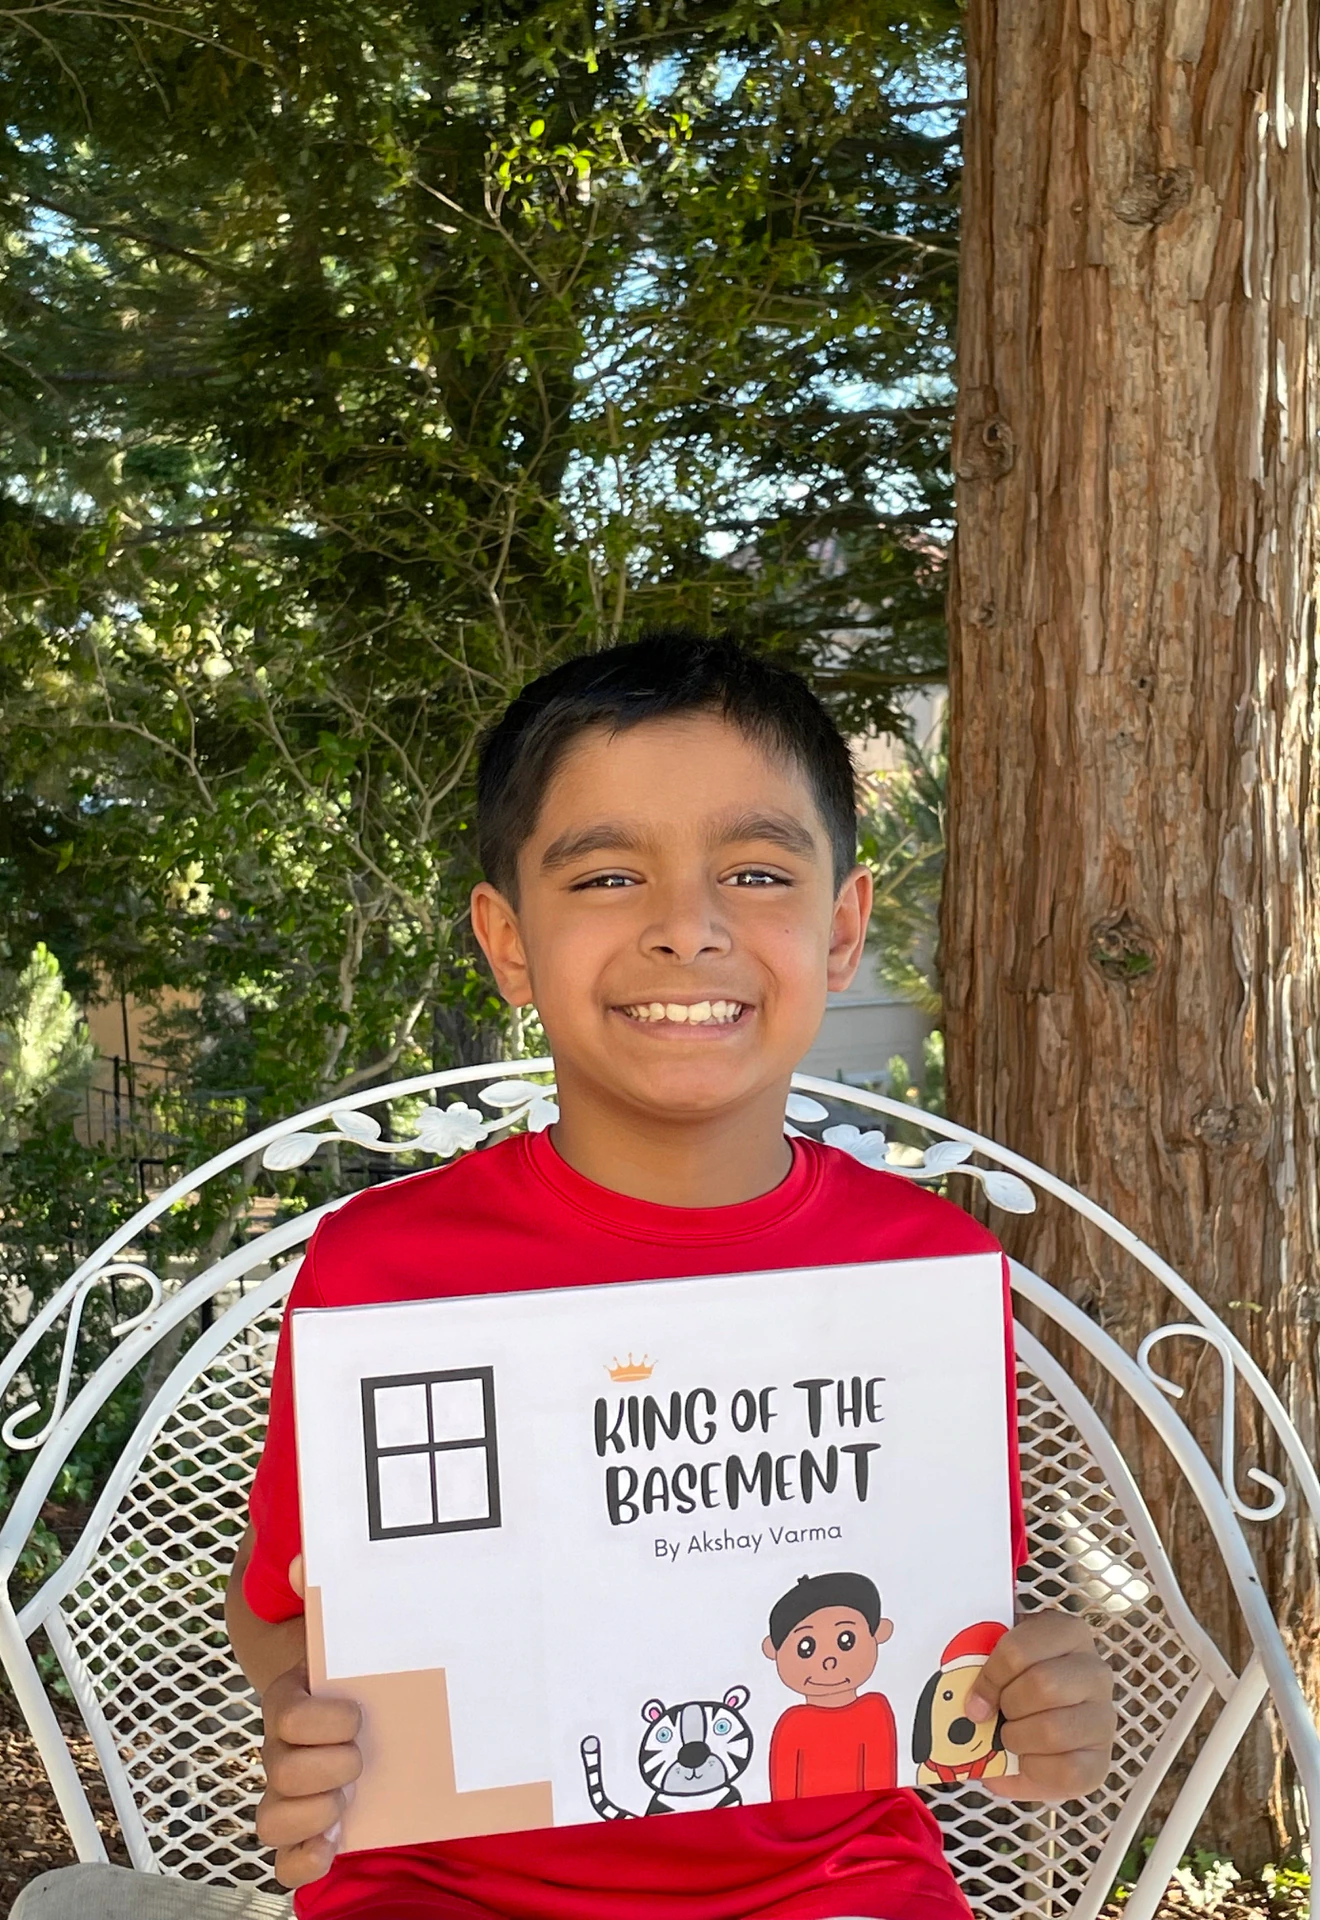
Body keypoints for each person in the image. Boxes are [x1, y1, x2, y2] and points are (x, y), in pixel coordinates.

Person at [224, 633, 1116, 1920]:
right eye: (603, 875)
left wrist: (1041, 1701)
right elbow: (280, 1608)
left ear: (843, 928)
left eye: (755, 872)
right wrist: (307, 1719)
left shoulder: (923, 1275)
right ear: (509, 941)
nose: (685, 929)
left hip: (840, 1888)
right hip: (437, 1887)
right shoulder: (386, 1271)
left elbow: (950, 1648)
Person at [763, 1573, 897, 1798]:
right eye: (806, 1647)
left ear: (879, 1633)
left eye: (846, 1640)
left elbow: (881, 1786)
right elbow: (782, 1796)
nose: (828, 1660)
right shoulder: (792, 1724)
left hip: (865, 1822)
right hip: (803, 1826)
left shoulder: (874, 1710)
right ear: (773, 1651)